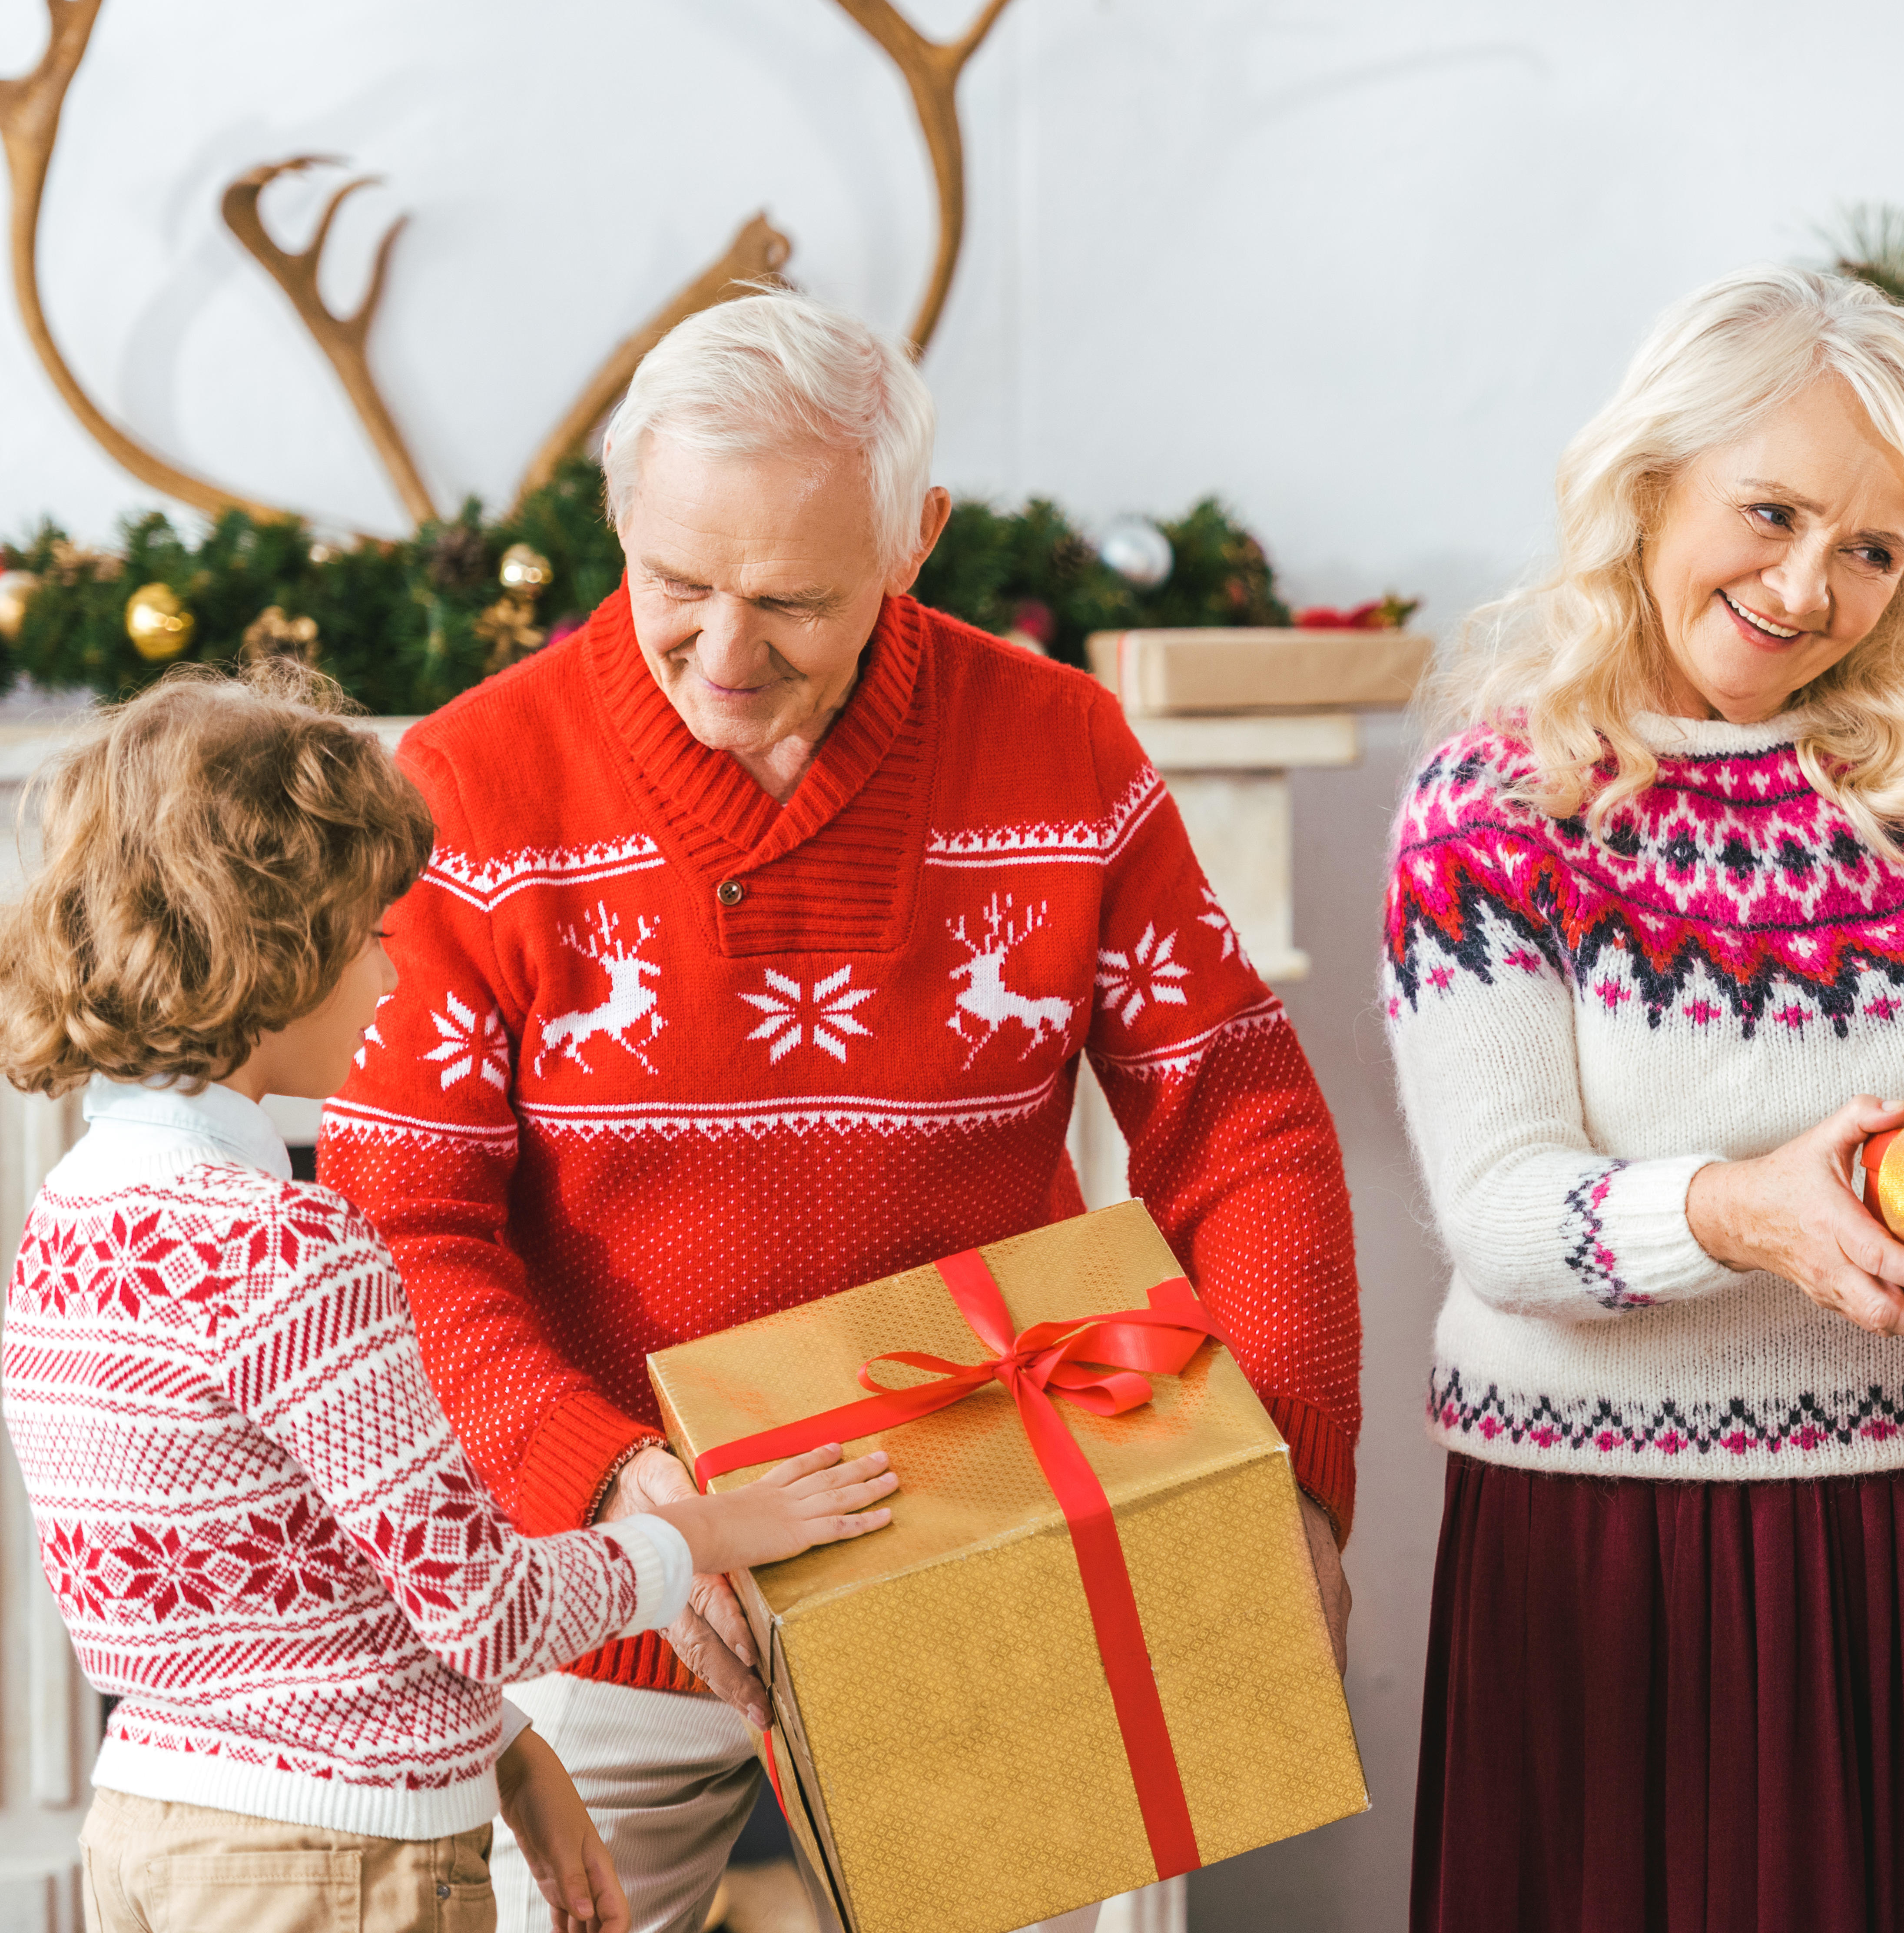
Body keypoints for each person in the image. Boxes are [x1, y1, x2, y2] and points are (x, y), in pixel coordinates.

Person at [315, 289, 1363, 1933]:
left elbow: (1242, 1122)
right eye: (675, 584)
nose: (723, 657)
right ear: (617, 518)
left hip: (999, 1564)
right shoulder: (470, 783)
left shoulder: (1060, 747)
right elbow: (402, 1225)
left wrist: (1284, 1473)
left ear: (913, 542)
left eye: (792, 601)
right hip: (611, 1602)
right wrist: (610, 1487)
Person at [1384, 265, 1904, 1931]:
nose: (1803, 585)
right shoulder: (1498, 804)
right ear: (1649, 481)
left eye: (1871, 550)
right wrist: (1734, 1212)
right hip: (1631, 1561)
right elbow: (1498, 1210)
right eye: (1767, 512)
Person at [0, 666, 901, 1933]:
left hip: (156, 1831)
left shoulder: (78, 1218)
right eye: (373, 935)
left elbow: (278, 1598)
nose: (393, 979)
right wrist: (715, 1530)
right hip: (339, 1865)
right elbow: (484, 1608)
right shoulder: (288, 1249)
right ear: (278, 951)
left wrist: (514, 1751)